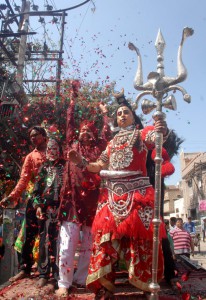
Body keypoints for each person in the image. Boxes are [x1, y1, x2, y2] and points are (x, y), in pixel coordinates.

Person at [69, 89, 173, 298]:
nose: (122, 115)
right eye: (119, 114)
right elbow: (99, 165)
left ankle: (146, 285)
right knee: (104, 241)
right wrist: (81, 162)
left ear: (133, 117)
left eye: (126, 112)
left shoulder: (141, 135)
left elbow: (157, 136)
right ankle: (105, 288)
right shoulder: (111, 143)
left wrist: (163, 128)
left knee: (142, 242)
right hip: (111, 195)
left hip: (138, 193)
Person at [55, 81, 111, 297]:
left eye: (88, 132)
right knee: (67, 245)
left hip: (92, 202)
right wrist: (72, 99)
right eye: (82, 131)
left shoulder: (98, 149)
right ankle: (63, 282)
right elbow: (69, 122)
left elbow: (107, 136)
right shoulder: (71, 146)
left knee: (88, 244)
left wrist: (105, 115)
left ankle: (80, 279)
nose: (84, 134)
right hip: (71, 202)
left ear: (93, 135)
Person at [0, 125, 47, 282]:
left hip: (53, 200)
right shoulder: (30, 157)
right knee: (28, 234)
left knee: (49, 234)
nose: (33, 138)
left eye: (36, 135)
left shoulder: (55, 153)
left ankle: (45, 272)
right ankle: (25, 268)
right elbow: (23, 180)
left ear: (44, 136)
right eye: (31, 136)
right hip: (34, 200)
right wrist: (12, 197)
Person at [32, 138, 65, 287]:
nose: (52, 151)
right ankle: (44, 273)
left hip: (61, 209)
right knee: (44, 240)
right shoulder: (43, 167)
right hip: (45, 210)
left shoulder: (65, 166)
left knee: (59, 241)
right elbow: (36, 190)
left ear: (59, 149)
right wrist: (38, 206)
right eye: (49, 148)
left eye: (55, 148)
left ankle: (59, 275)